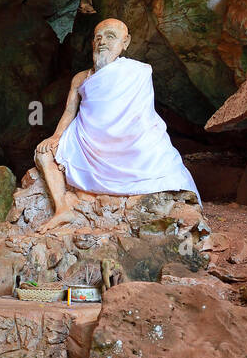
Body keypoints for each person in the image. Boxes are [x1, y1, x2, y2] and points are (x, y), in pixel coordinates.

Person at [34, 18, 199, 232]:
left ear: (126, 42)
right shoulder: (80, 78)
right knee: (43, 154)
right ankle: (62, 208)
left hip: (127, 139)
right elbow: (69, 112)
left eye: (110, 36)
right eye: (98, 37)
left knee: (157, 157)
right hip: (84, 138)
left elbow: (142, 115)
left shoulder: (138, 72)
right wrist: (56, 137)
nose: (102, 42)